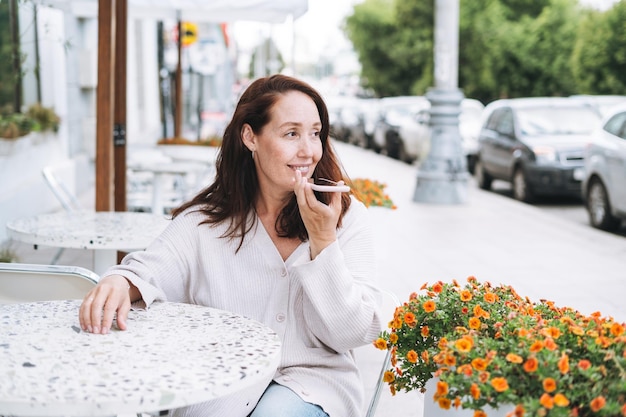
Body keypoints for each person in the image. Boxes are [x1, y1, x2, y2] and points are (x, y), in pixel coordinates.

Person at [79, 74, 382, 417]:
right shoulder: (205, 222)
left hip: (312, 385)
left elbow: (355, 331)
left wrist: (323, 242)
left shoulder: (345, 217)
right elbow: (148, 269)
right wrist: (121, 282)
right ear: (250, 137)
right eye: (291, 133)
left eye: (316, 133)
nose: (309, 151)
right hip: (221, 385)